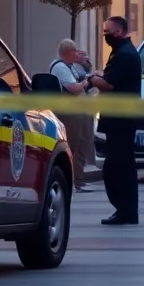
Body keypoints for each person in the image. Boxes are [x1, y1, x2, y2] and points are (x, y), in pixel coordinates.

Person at [85, 16, 142, 225]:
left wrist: (92, 79)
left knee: (118, 166)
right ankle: (125, 210)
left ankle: (125, 210)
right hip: (119, 119)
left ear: (119, 31)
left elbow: (108, 84)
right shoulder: (122, 52)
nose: (105, 35)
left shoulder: (124, 55)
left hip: (121, 119)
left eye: (108, 31)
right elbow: (112, 78)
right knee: (120, 164)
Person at [50, 39, 97, 193]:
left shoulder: (71, 67)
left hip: (80, 113)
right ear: (68, 52)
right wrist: (84, 83)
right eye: (75, 51)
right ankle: (73, 181)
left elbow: (85, 77)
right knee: (73, 146)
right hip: (71, 114)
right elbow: (75, 87)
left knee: (82, 144)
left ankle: (80, 180)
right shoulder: (60, 67)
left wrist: (86, 66)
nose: (77, 53)